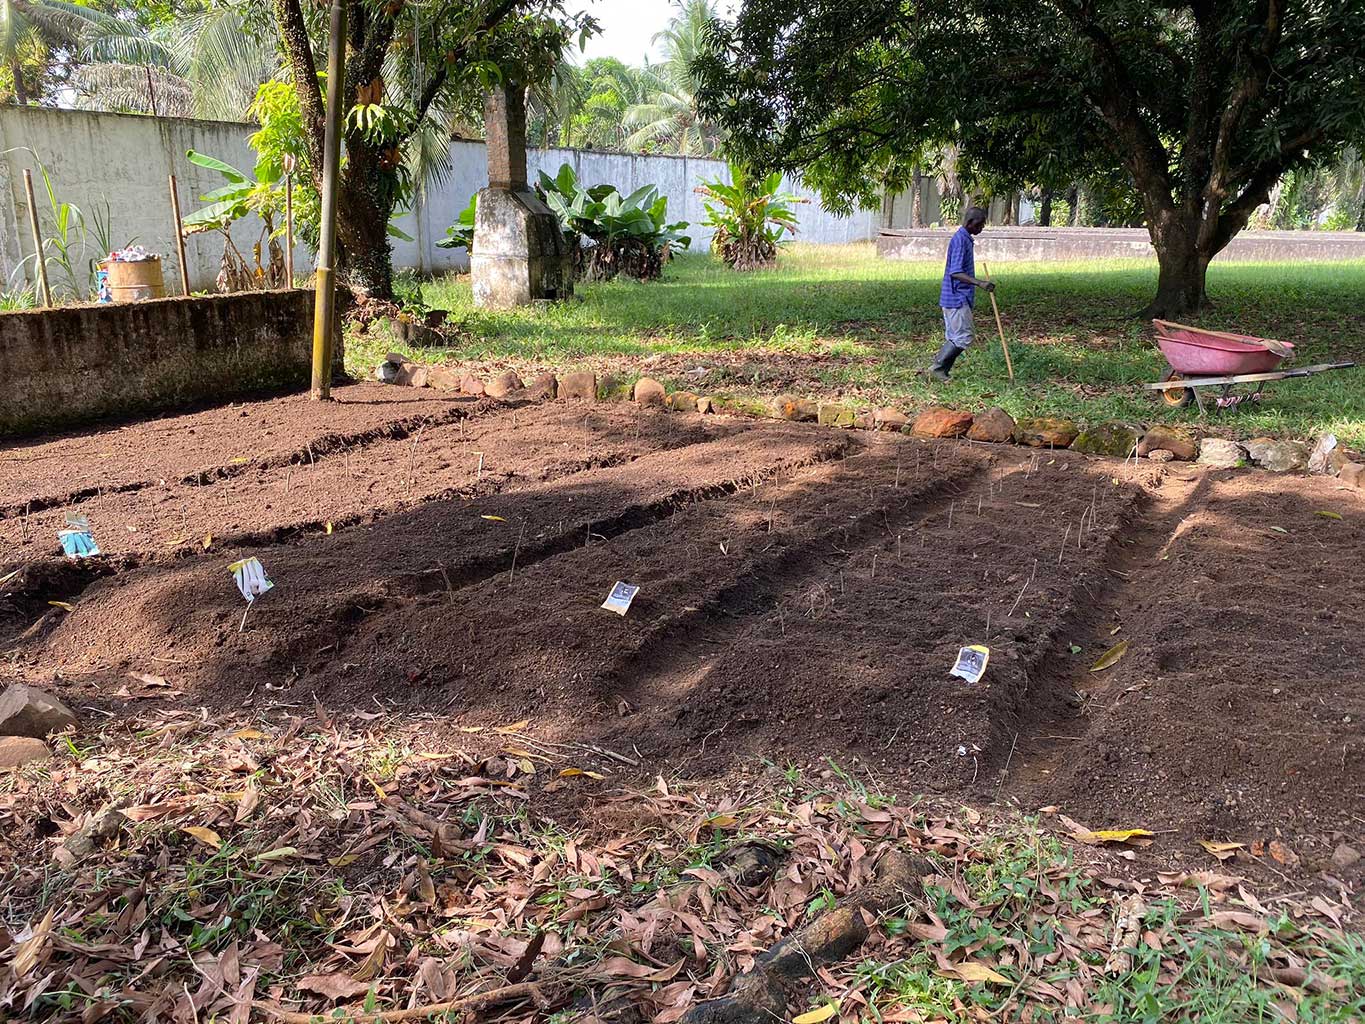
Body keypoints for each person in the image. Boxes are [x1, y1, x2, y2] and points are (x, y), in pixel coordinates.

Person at [930, 206, 995, 381]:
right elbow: (956, 272)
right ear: (969, 222)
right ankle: (937, 368)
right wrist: (979, 283)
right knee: (964, 337)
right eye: (979, 225)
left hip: (958, 296)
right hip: (955, 297)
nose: (981, 229)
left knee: (956, 336)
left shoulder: (966, 239)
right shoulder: (960, 240)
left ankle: (940, 370)